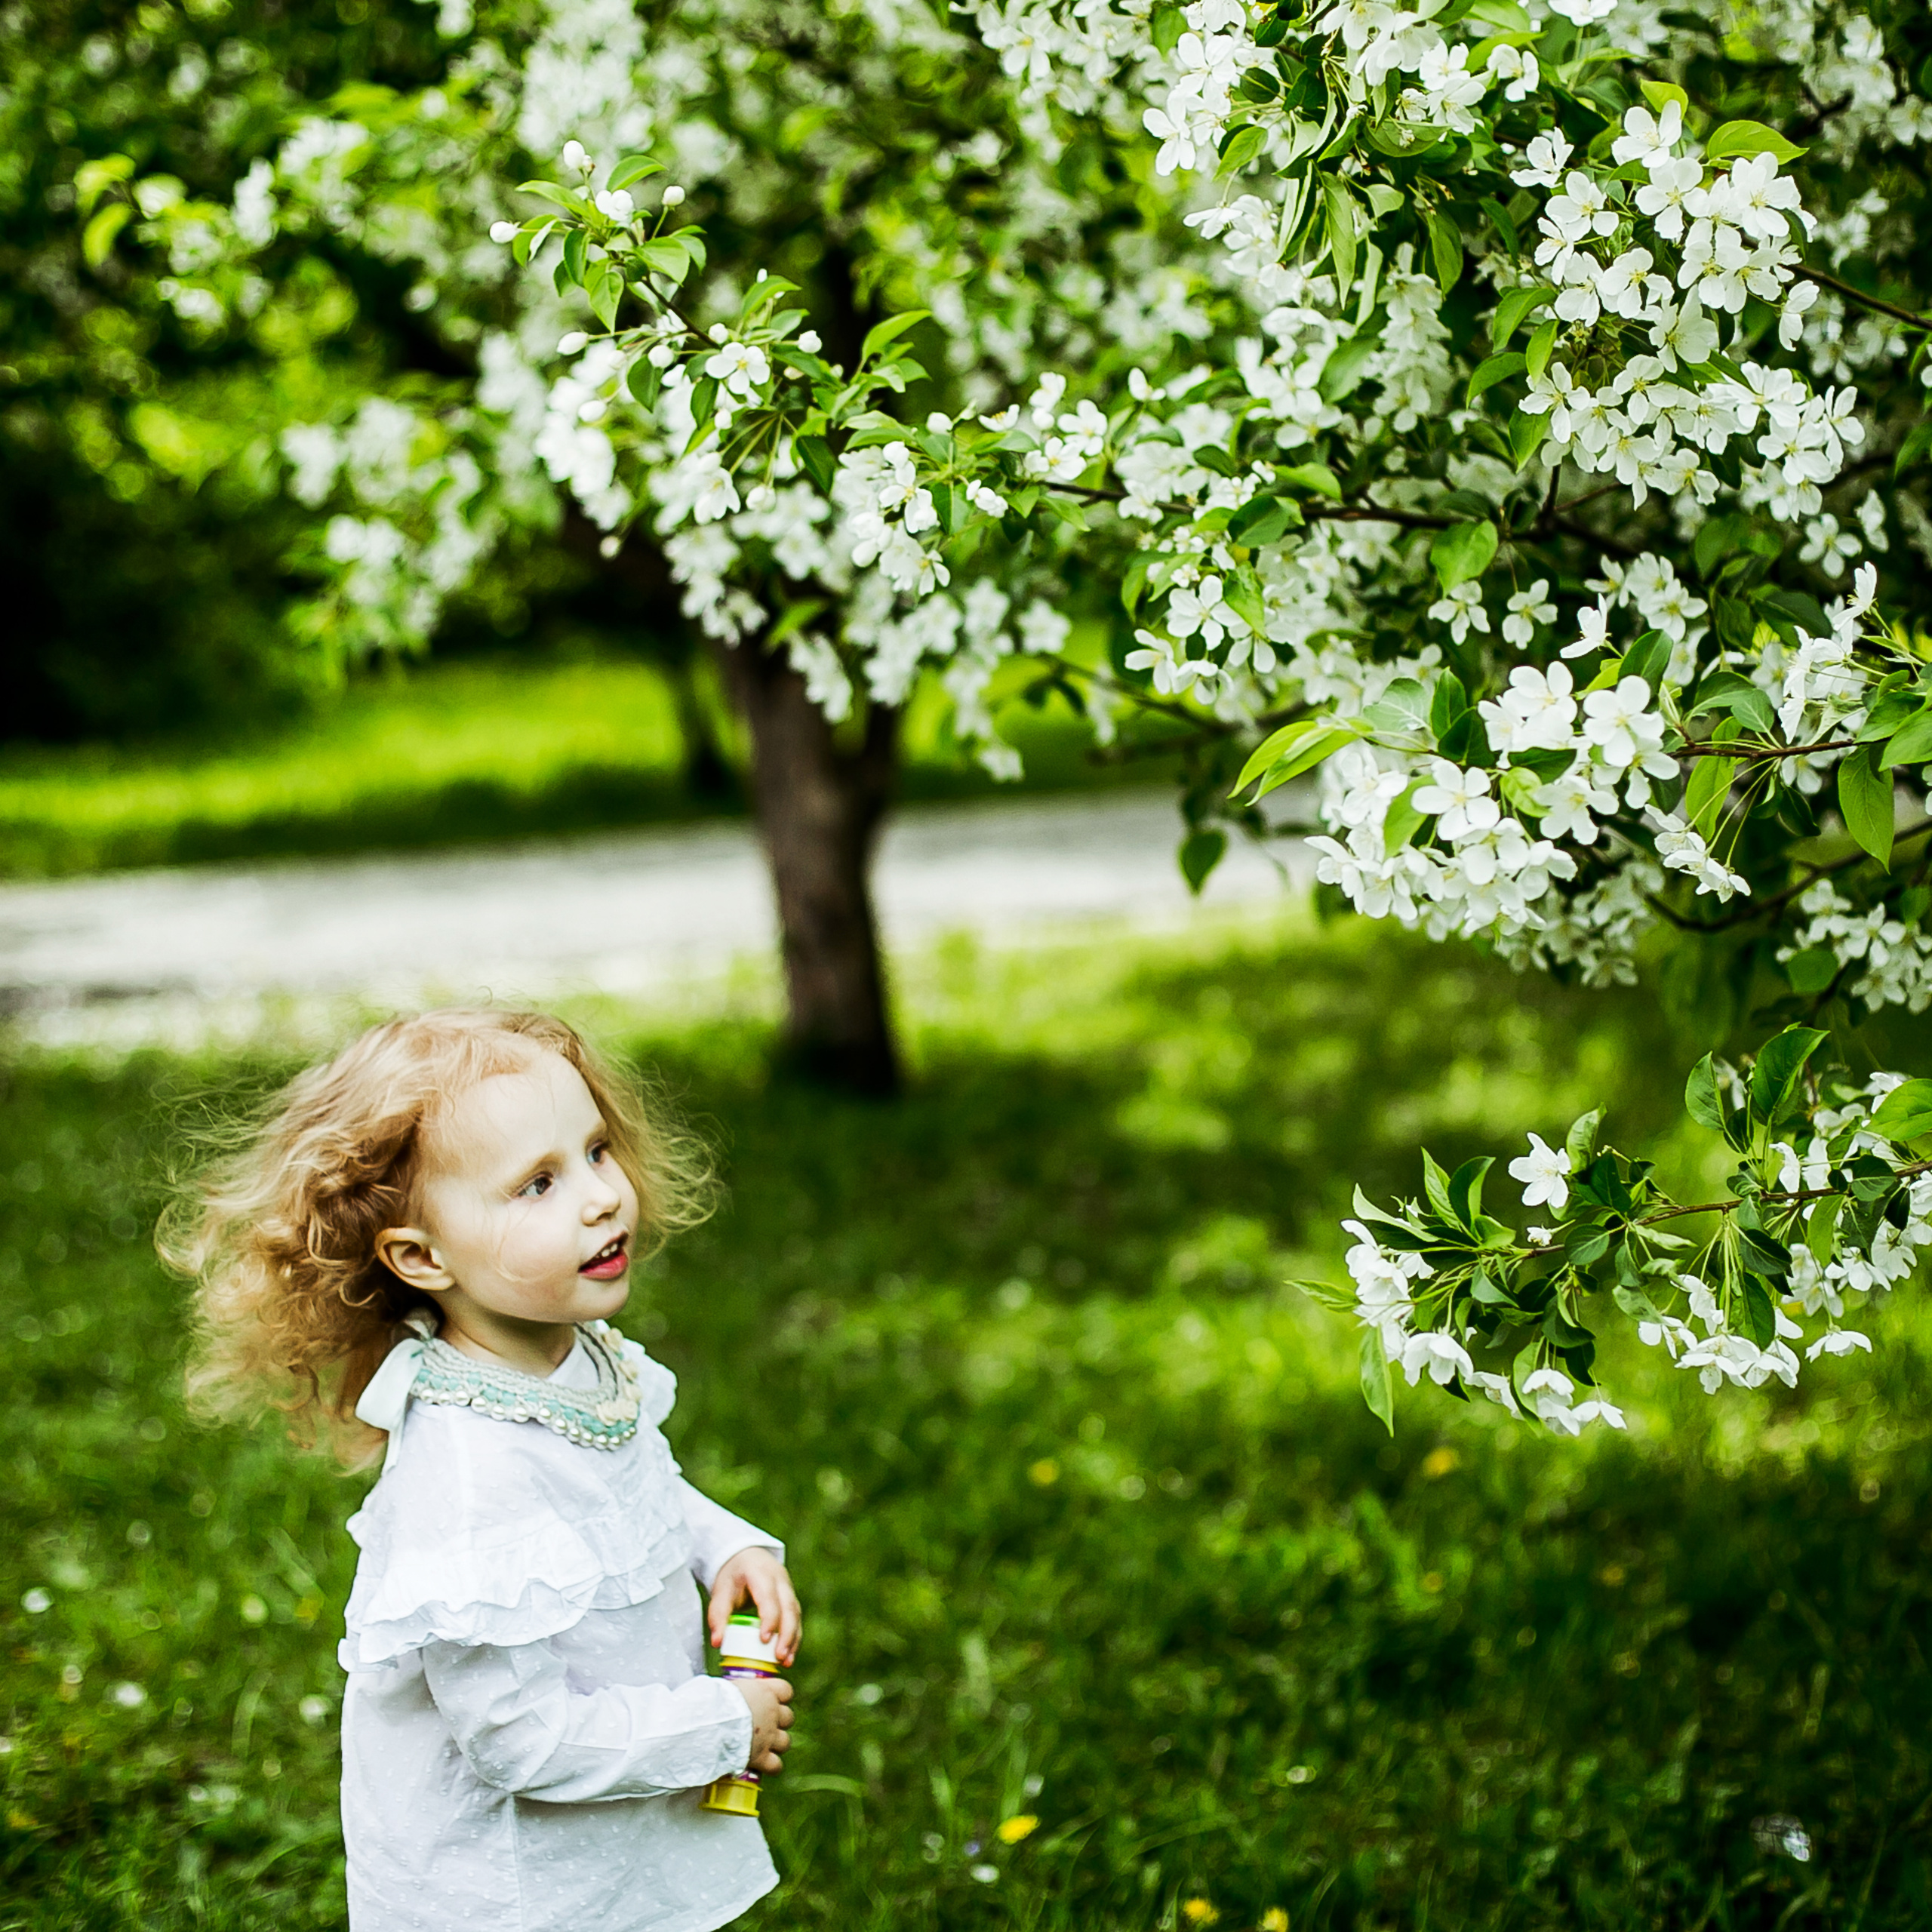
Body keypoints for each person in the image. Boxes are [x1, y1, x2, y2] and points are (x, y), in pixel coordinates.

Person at [165, 1008, 801, 1932]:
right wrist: (718, 1727)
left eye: (594, 1150)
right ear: (422, 1257)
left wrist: (725, 1545)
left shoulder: (575, 1358)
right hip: (510, 1884)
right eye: (537, 1183)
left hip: (606, 1823)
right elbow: (518, 1740)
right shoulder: (466, 1473)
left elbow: (632, 1473)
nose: (600, 1197)